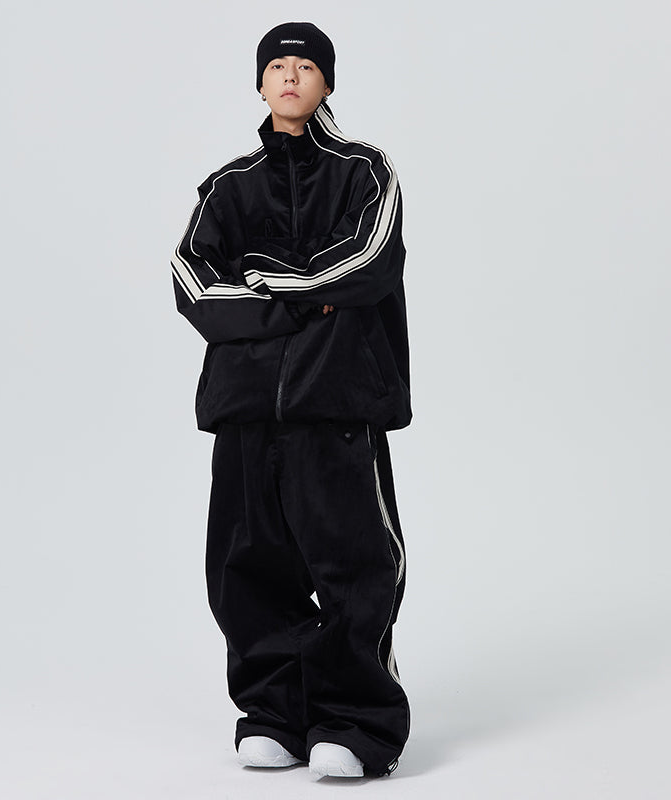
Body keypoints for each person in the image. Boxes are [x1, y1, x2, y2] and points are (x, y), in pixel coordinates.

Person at [171, 21, 412, 779]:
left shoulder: (364, 171)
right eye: (276, 64)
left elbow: (368, 262)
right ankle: (273, 712)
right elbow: (192, 282)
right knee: (246, 565)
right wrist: (302, 301)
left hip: (337, 403)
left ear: (327, 83)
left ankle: (357, 721)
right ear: (259, 82)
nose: (289, 74)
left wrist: (264, 282)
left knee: (354, 563)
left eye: (305, 65)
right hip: (245, 409)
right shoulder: (227, 187)